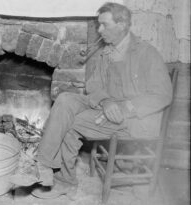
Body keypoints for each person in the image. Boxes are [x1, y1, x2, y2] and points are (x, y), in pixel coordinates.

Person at [10, 2, 173, 199]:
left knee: (71, 124)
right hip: (107, 106)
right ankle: (43, 165)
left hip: (134, 119)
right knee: (65, 99)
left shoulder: (147, 53)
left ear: (122, 25)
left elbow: (162, 94)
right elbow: (93, 85)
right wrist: (105, 102)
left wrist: (125, 107)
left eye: (104, 25)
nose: (99, 29)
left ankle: (65, 181)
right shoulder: (108, 51)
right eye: (98, 25)